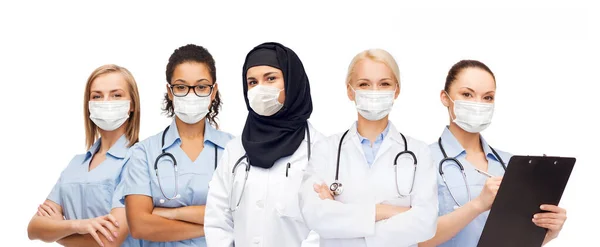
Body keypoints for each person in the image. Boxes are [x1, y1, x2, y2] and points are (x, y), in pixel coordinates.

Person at [419, 60, 568, 247]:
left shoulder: (510, 164)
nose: (478, 104)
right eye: (467, 94)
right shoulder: (421, 161)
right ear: (445, 97)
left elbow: (516, 240)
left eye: (487, 97)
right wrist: (478, 204)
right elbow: (417, 240)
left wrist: (547, 233)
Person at [299, 49, 438, 247]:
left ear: (396, 91)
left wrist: (344, 224)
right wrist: (386, 211)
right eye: (364, 84)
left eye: (384, 84)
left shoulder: (419, 153)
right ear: (350, 91)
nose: (374, 91)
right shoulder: (325, 150)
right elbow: (314, 215)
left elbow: (425, 223)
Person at [204, 42, 324, 247]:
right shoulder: (235, 151)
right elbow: (217, 221)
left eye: (271, 78)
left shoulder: (321, 150)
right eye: (252, 82)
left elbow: (325, 224)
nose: (260, 89)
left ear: (292, 82)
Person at [119, 44, 233, 247]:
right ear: (169, 92)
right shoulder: (144, 153)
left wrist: (172, 213)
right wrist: (214, 225)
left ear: (213, 91)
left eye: (201, 86)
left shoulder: (235, 149)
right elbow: (139, 226)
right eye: (181, 87)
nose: (191, 94)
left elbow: (243, 216)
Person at [27, 64, 142, 247]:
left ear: (132, 105)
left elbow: (109, 239)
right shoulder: (76, 164)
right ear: (88, 105)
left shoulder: (138, 160)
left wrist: (57, 231)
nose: (106, 102)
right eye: (97, 96)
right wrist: (78, 225)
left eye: (116, 95)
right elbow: (33, 229)